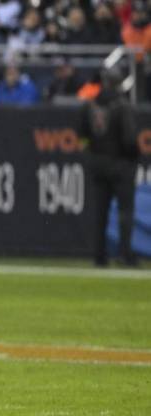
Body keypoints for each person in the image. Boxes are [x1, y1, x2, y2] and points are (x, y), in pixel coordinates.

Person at [78, 69, 140, 267]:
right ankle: (124, 253)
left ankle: (99, 255)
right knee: (125, 211)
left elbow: (81, 136)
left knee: (100, 212)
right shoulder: (122, 107)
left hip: (98, 164)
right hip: (120, 165)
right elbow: (130, 140)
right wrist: (133, 159)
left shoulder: (89, 106)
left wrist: (90, 156)